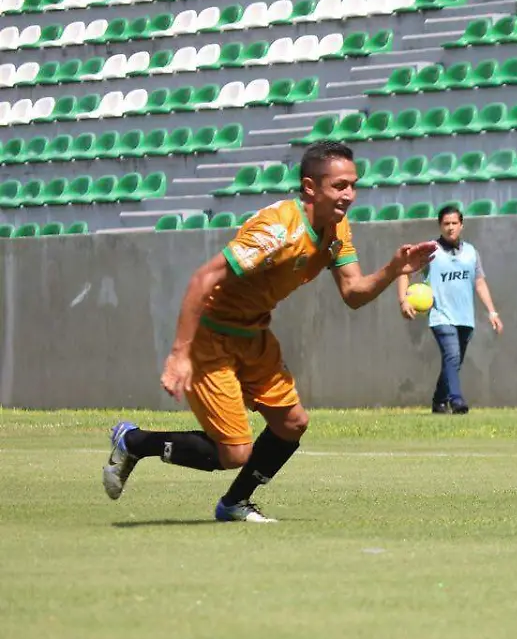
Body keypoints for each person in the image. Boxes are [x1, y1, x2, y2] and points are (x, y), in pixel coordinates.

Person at [102, 141, 438, 523]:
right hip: (212, 338)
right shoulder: (277, 229)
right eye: (339, 186)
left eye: (353, 185)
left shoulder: (336, 228)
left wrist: (393, 270)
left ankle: (234, 504)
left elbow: (354, 293)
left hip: (255, 335)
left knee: (292, 424)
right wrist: (180, 353)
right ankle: (133, 441)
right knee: (234, 454)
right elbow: (203, 278)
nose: (349, 195)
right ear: (311, 187)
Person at [398, 204, 502, 415]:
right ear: (440, 226)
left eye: (454, 223)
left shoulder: (471, 252)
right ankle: (456, 400)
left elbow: (479, 282)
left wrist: (492, 312)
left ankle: (439, 400)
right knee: (452, 355)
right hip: (440, 315)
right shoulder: (430, 251)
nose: (450, 228)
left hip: (465, 317)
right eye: (446, 224)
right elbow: (404, 271)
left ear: (462, 225)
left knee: (453, 361)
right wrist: (404, 300)